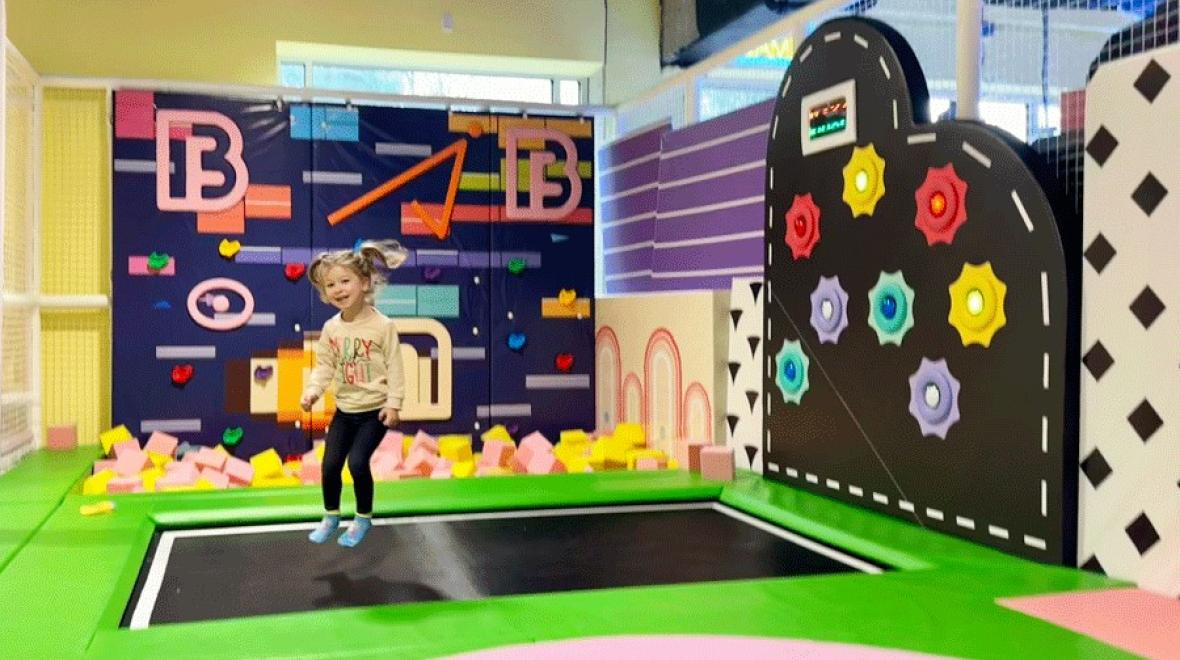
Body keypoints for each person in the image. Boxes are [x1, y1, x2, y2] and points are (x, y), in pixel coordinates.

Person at [300, 240, 408, 547]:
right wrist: (313, 392)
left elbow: (396, 367)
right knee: (330, 465)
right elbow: (325, 365)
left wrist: (394, 404)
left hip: (374, 412)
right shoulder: (332, 328)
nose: (338, 289)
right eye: (330, 284)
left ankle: (362, 518)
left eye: (344, 281)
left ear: (364, 282)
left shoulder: (383, 326)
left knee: (358, 463)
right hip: (345, 412)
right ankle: (331, 516)